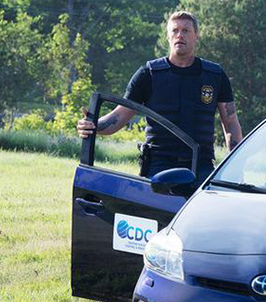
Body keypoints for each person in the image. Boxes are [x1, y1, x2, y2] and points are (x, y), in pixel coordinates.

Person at [76, 11, 243, 183]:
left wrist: (237, 164)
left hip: (201, 166)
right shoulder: (148, 74)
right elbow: (118, 117)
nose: (180, 35)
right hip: (158, 165)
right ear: (168, 37)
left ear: (196, 36)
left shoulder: (214, 75)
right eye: (175, 31)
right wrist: (92, 126)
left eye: (186, 31)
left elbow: (230, 124)